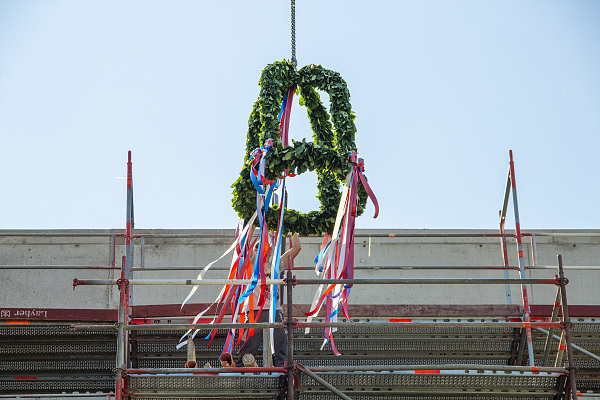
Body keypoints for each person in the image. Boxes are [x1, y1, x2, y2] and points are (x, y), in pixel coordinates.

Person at [232, 232, 301, 368]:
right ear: (255, 250)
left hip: (274, 310)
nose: (265, 247)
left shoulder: (277, 264)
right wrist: (253, 226)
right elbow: (242, 247)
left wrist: (292, 231)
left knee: (280, 345)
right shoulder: (250, 263)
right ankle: (241, 374)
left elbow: (296, 248)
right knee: (249, 347)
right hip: (253, 311)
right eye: (259, 246)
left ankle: (283, 373)